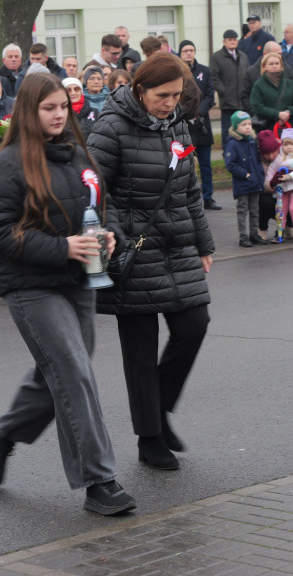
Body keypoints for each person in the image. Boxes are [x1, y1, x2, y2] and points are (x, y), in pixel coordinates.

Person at [0, 72, 135, 516]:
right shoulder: (6, 165)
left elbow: (103, 208)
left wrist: (111, 237)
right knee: (73, 371)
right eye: (49, 108)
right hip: (31, 287)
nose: (58, 115)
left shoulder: (78, 155)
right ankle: (99, 480)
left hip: (80, 280)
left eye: (63, 107)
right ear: (29, 111)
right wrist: (62, 246)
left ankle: (3, 432)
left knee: (64, 372)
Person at [87, 52, 215, 472]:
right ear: (140, 90)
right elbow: (93, 192)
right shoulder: (110, 126)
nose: (170, 103)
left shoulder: (176, 121)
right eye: (163, 95)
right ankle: (150, 437)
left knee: (194, 324)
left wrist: (203, 242)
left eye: (177, 95)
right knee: (139, 351)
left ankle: (158, 410)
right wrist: (117, 236)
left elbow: (190, 187)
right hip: (133, 249)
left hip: (176, 244)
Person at [178, 40, 220, 210]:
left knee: (205, 163)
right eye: (185, 50)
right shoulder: (177, 72)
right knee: (186, 163)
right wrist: (188, 114)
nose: (189, 53)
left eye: (192, 50)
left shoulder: (204, 71)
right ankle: (187, 198)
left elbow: (210, 94)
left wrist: (200, 113)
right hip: (185, 126)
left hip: (202, 125)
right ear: (180, 53)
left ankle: (208, 197)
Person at [223, 111, 266, 248]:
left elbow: (257, 160)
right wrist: (245, 174)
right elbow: (230, 164)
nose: (248, 127)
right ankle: (243, 236)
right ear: (236, 127)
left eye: (249, 124)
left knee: (255, 209)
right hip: (243, 183)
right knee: (242, 210)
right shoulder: (233, 143)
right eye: (243, 125)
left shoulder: (252, 140)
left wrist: (260, 175)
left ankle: (254, 233)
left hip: (255, 181)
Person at [265, 128, 293, 243]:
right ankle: (279, 232)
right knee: (281, 211)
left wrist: (289, 177)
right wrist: (271, 182)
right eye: (286, 144)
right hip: (284, 189)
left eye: (291, 144)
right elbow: (271, 170)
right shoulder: (279, 158)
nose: (289, 147)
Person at [209, 29, 250, 139]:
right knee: (228, 133)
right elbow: (214, 77)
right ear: (224, 42)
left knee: (244, 132)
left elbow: (247, 76)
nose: (232, 42)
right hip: (228, 104)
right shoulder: (216, 57)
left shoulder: (243, 56)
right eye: (230, 40)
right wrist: (224, 92)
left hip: (242, 103)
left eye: (234, 39)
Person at [250, 51, 293, 134]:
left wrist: (288, 112)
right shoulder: (258, 85)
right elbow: (257, 107)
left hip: (288, 129)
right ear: (264, 66)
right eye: (271, 64)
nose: (274, 66)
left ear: (281, 65)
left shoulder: (289, 84)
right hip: (267, 130)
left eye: (277, 63)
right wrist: (277, 114)